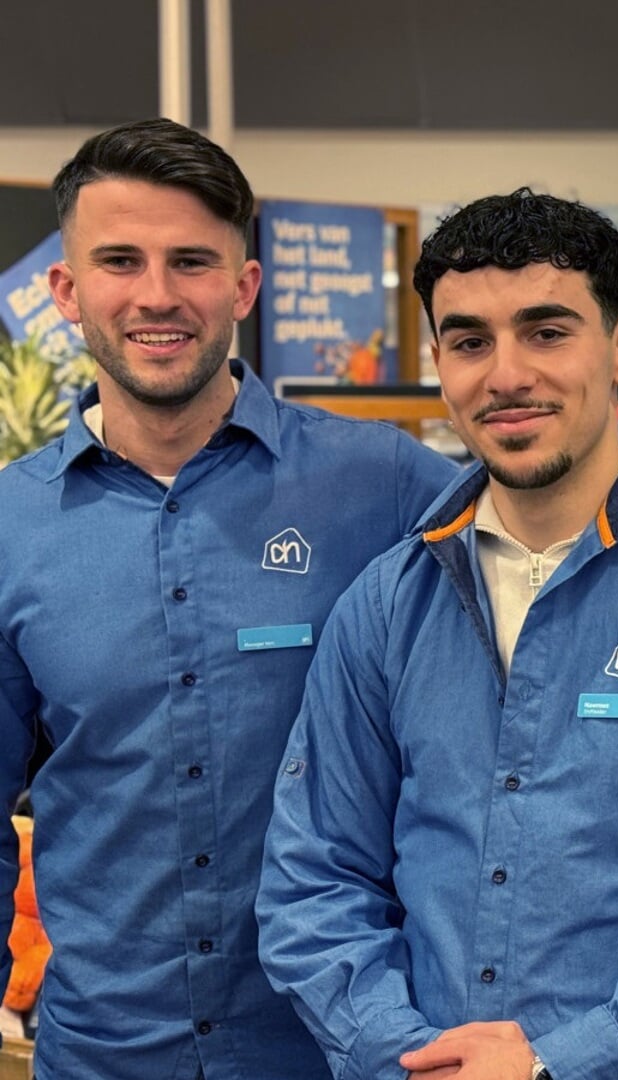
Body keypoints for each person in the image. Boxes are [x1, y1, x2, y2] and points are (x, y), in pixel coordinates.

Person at [257, 189, 618, 1080]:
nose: (505, 376)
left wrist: (556, 1066)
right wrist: (407, 1055)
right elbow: (314, 881)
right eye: (469, 341)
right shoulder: (387, 605)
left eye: (545, 331)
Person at [0, 118, 459, 1079]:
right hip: (103, 1055)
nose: (157, 295)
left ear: (243, 288)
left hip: (340, 1051)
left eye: (193, 262)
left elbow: (566, 526)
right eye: (120, 261)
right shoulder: (11, 524)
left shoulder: (382, 484)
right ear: (67, 291)